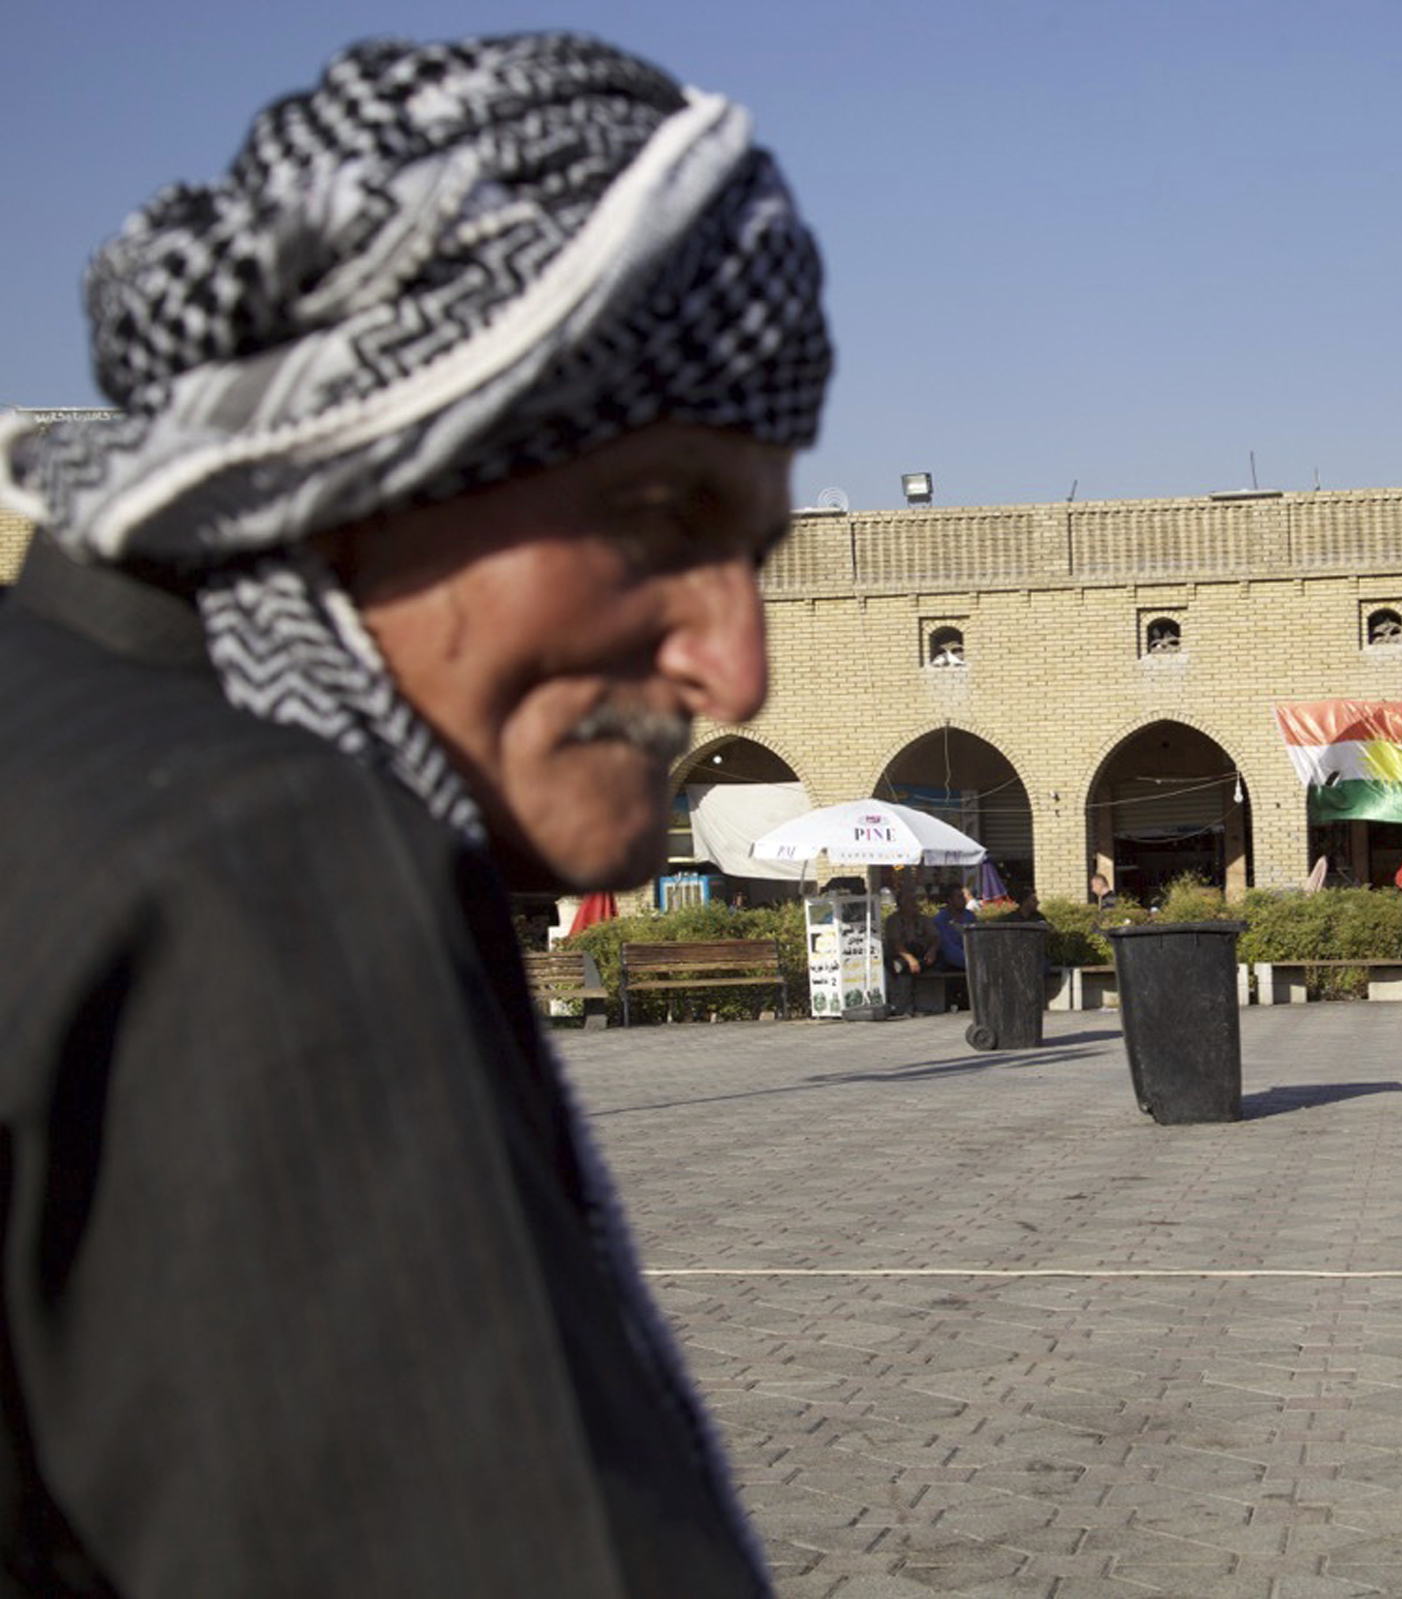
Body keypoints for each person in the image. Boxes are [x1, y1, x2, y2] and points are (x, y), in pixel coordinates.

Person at [0, 34, 831, 1595]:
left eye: (758, 555)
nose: (737, 665)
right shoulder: (256, 876)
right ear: (368, 458)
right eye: (663, 517)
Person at [884, 879, 942, 1013]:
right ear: (901, 904)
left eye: (915, 900)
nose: (914, 904)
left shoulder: (923, 919)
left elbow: (935, 937)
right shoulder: (894, 920)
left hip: (921, 954)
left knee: (939, 960)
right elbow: (895, 942)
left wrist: (932, 951)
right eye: (910, 901)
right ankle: (903, 1006)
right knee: (903, 967)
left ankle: (927, 1004)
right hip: (900, 954)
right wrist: (910, 958)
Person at [933, 883, 978, 971]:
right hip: (952, 965)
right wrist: (971, 961)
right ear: (950, 900)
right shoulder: (941, 919)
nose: (964, 899)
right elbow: (948, 948)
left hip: (972, 960)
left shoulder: (970, 916)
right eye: (960, 897)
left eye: (963, 896)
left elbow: (976, 939)